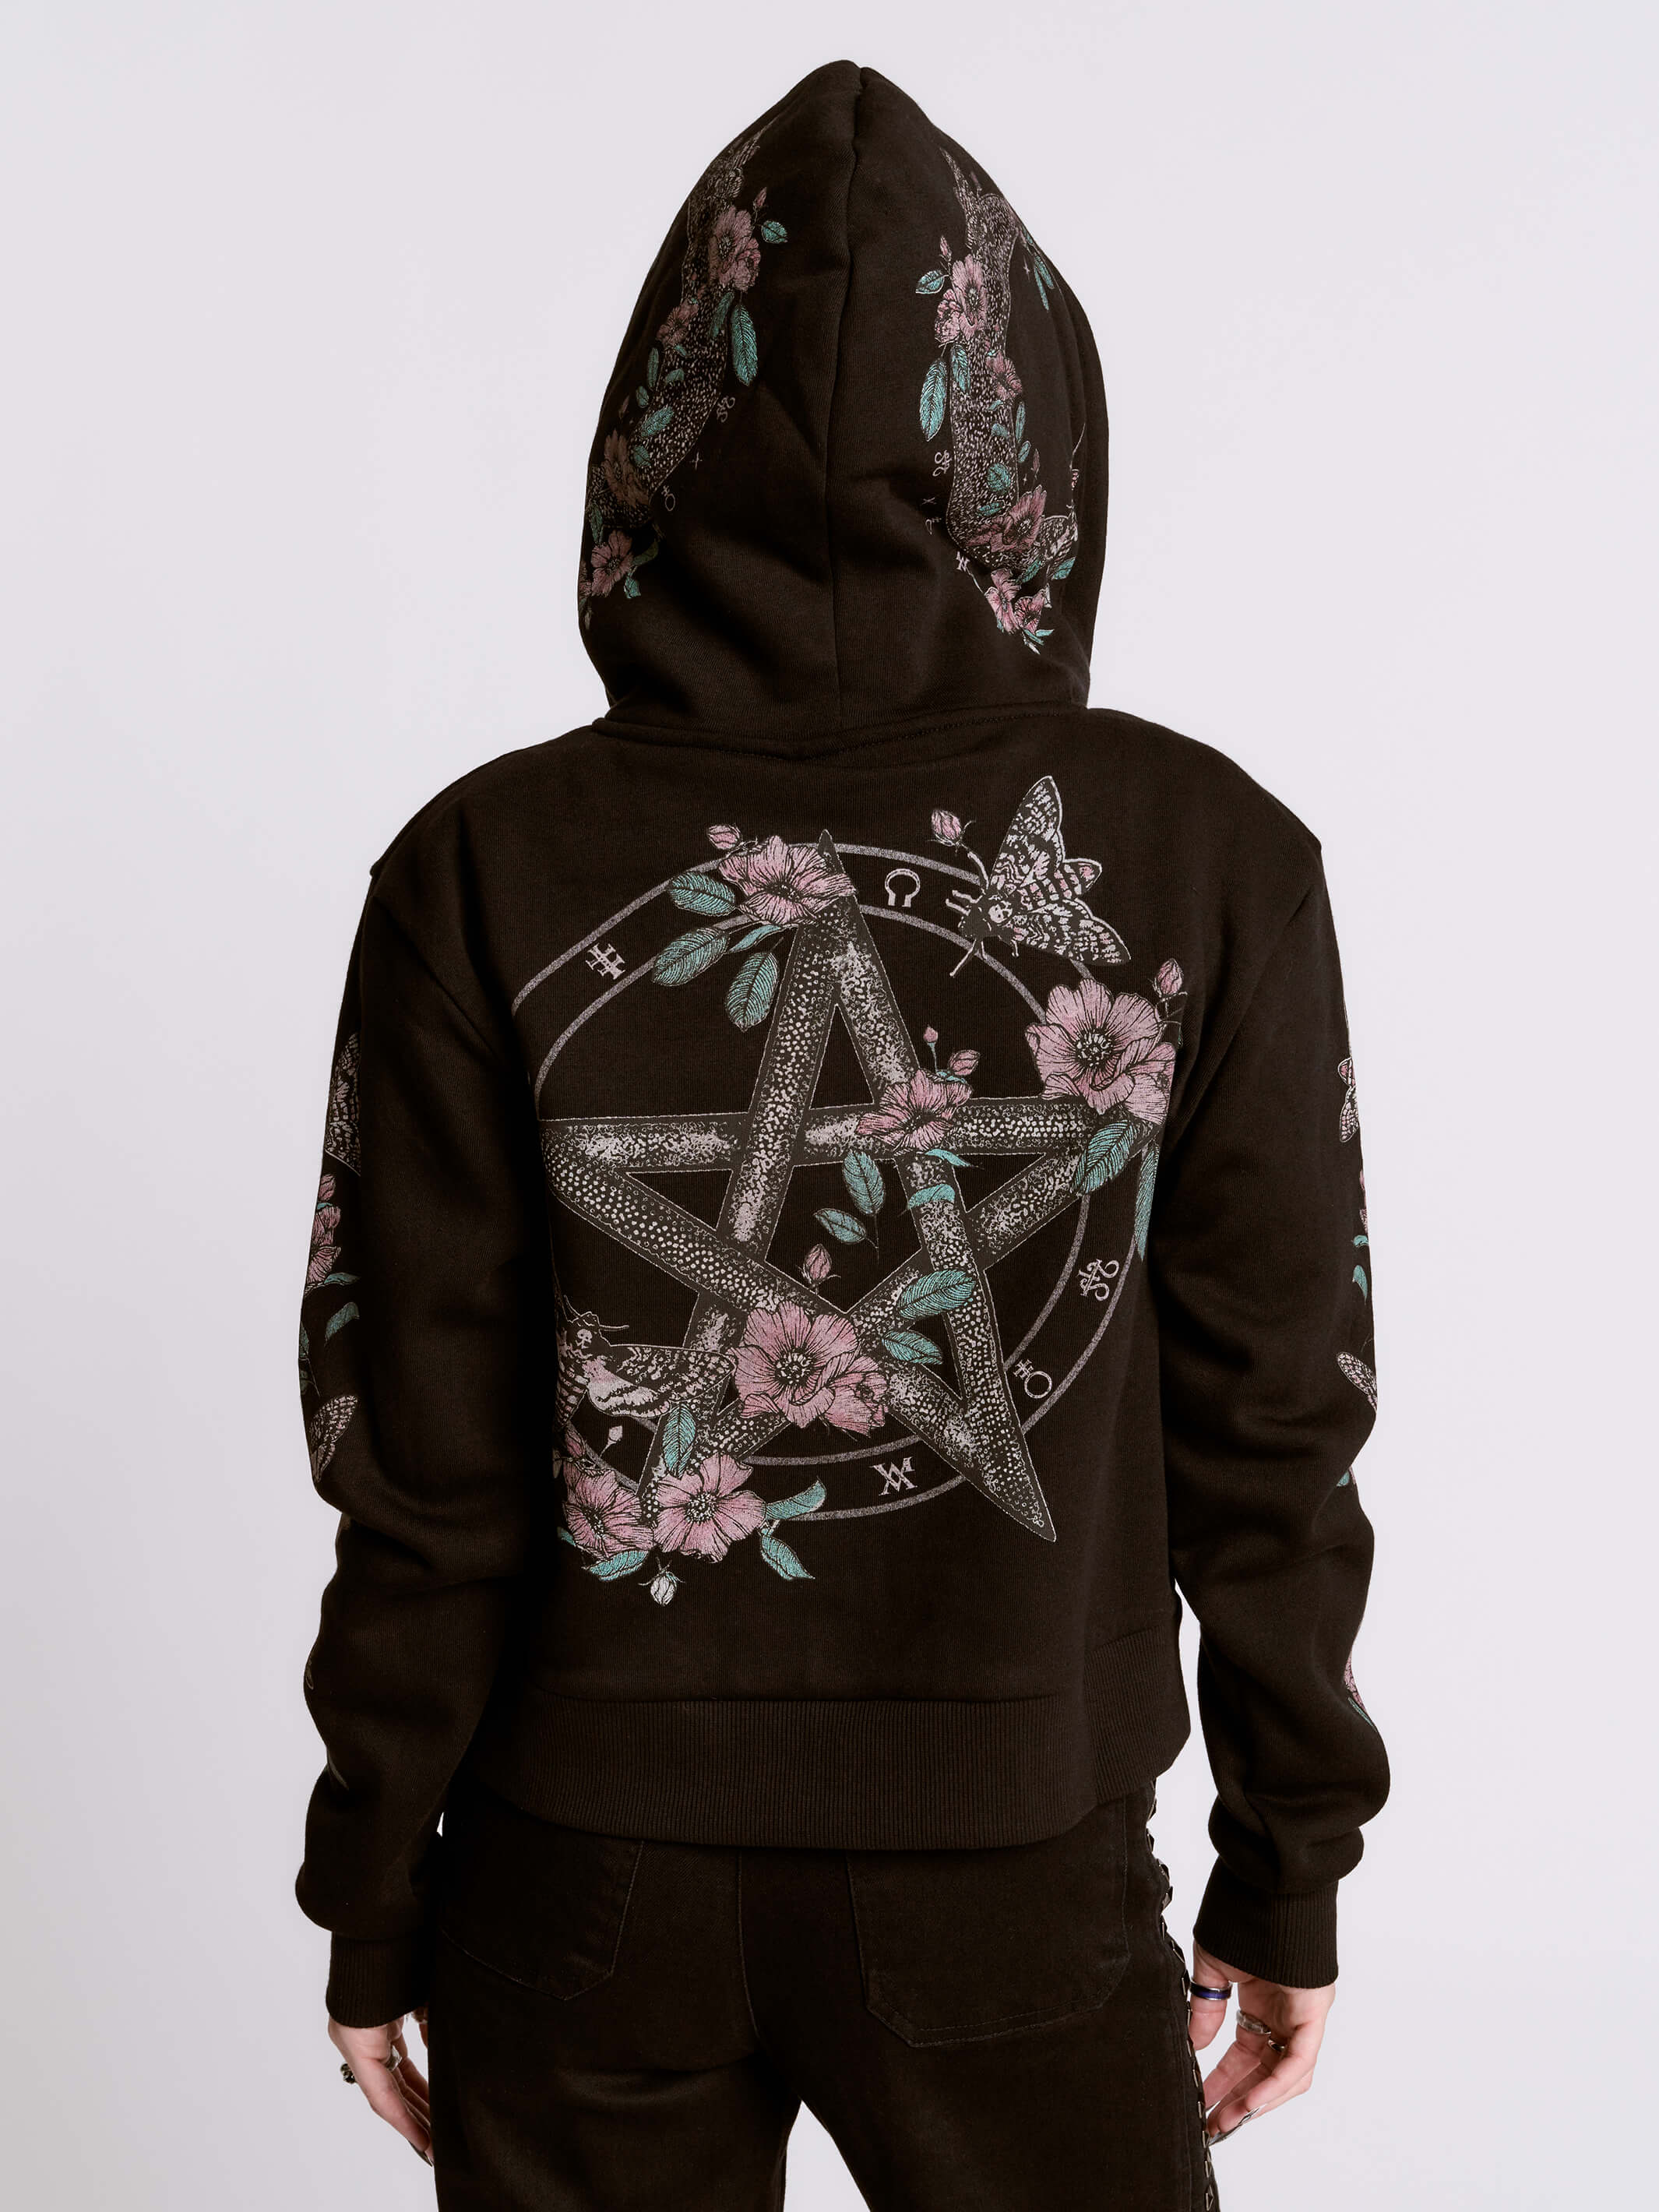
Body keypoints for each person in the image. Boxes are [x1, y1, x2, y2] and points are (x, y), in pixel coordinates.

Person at [297, 59, 1387, 2210]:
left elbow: (411, 1446)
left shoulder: (481, 865)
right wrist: (1290, 1866)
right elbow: (1280, 1411)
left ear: (657, 428)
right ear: (1028, 437)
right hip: (1015, 1867)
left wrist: (373, 1893)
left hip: (573, 1888)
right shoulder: (1208, 857)